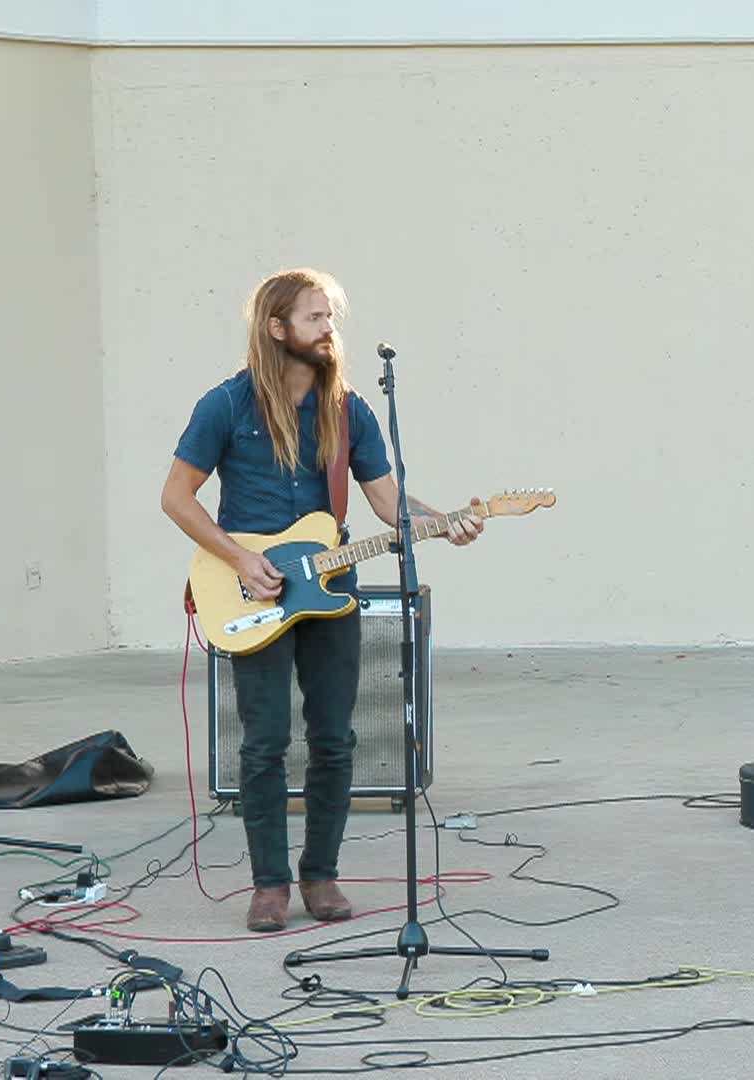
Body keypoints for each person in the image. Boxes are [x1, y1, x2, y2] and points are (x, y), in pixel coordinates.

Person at [161, 268, 484, 932]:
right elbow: (176, 497)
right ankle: (268, 884)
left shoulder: (351, 410)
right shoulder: (226, 404)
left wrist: (443, 520)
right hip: (252, 588)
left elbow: (387, 503)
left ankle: (321, 875)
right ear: (276, 330)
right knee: (265, 742)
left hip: (331, 587)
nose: (328, 329)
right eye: (314, 318)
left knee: (336, 738)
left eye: (331, 318)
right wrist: (242, 560)